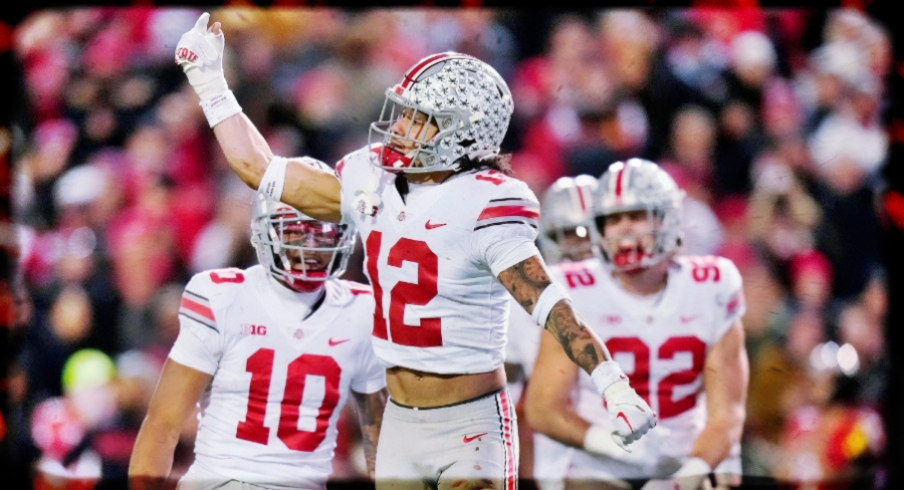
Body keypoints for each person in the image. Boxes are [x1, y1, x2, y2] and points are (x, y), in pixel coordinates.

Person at [173, 14, 656, 489]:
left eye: (419, 118)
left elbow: (547, 302)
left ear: (462, 134)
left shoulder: (486, 200)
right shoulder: (370, 177)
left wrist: (612, 383)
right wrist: (209, 80)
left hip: (470, 425)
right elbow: (260, 170)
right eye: (403, 111)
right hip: (401, 419)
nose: (400, 126)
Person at [129, 186, 388, 490]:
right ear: (267, 230)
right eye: (296, 230)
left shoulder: (361, 309)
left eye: (324, 230)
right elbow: (163, 424)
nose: (312, 244)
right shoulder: (224, 296)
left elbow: (378, 441)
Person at [523, 159, 749, 490]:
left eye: (637, 215)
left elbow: (726, 414)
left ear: (667, 220)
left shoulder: (712, 286)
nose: (625, 228)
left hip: (686, 458)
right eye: (613, 219)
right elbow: (543, 408)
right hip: (601, 467)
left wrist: (687, 475)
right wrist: (611, 444)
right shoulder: (575, 291)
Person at [505, 175, 598, 490]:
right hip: (562, 470)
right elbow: (509, 414)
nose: (586, 246)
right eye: (572, 235)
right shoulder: (520, 308)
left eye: (593, 229)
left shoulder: (639, 294)